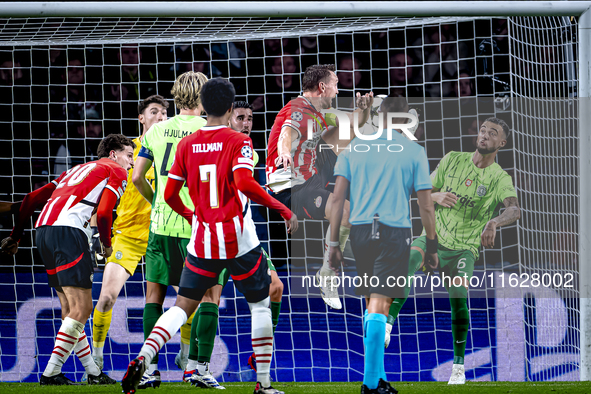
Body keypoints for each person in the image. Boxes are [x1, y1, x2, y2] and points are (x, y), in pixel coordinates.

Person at [121, 78, 297, 394]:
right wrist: (282, 209)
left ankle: (145, 360)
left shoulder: (184, 143)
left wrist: (193, 215)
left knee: (180, 306)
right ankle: (263, 383)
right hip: (236, 236)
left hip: (196, 235)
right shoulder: (239, 141)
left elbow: (168, 191)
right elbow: (244, 182)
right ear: (230, 109)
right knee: (259, 302)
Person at [386, 117, 521, 384]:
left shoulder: (498, 178)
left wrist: (493, 221)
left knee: (459, 295)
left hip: (464, 250)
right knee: (410, 259)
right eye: (482, 130)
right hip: (433, 237)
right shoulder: (452, 159)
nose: (484, 135)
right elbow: (421, 190)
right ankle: (388, 323)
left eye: (492, 133)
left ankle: (458, 368)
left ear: (501, 143)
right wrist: (434, 196)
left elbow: (514, 209)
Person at [1, 134, 135, 386]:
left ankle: (93, 373)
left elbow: (31, 200)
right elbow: (105, 212)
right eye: (129, 155)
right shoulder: (116, 170)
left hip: (42, 231)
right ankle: (51, 373)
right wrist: (106, 245)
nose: (131, 162)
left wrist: (16, 237)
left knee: (70, 310)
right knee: (83, 308)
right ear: (114, 154)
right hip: (69, 232)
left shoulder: (75, 170)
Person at [327, 96, 438, 394]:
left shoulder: (355, 148)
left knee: (372, 304)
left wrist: (333, 243)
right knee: (380, 304)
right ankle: (370, 385)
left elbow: (337, 199)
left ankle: (378, 377)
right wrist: (432, 244)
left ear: (379, 114)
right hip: (394, 233)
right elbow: (426, 206)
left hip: (362, 233)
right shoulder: (413, 151)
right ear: (404, 119)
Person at [266, 64, 370, 310]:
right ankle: (328, 273)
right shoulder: (298, 110)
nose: (337, 89)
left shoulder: (322, 111)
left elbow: (354, 124)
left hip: (311, 170)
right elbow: (286, 135)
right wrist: (284, 154)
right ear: (322, 87)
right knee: (344, 211)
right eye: (335, 84)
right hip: (290, 187)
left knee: (349, 129)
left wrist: (363, 111)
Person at [131, 71, 208, 388]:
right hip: (198, 225)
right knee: (205, 299)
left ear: (176, 96)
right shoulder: (211, 129)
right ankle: (196, 368)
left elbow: (137, 179)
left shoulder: (157, 130)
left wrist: (158, 201)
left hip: (161, 224)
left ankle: (150, 370)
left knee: (154, 297)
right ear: (205, 97)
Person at [87, 95, 168, 377]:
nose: (160, 116)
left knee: (190, 297)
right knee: (107, 297)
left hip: (164, 233)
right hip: (129, 236)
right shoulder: (127, 151)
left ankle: (189, 361)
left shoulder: (174, 149)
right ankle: (95, 362)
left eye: (164, 112)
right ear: (141, 119)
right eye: (154, 111)